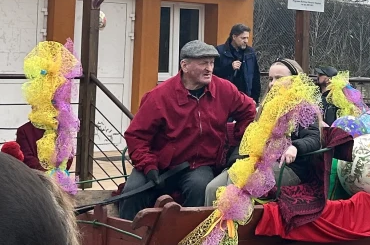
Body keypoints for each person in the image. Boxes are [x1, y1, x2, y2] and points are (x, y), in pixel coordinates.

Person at [120, 40, 256, 220]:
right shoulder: (159, 96)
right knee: (132, 192)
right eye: (203, 63)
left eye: (211, 63)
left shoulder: (225, 90)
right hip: (158, 163)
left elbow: (249, 111)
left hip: (200, 164)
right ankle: (125, 234)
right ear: (184, 65)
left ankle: (185, 237)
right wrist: (149, 166)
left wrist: (238, 140)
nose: (209, 68)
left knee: (200, 189)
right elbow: (136, 136)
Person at [204, 59, 322, 205]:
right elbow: (251, 139)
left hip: (288, 167)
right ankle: (214, 219)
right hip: (259, 162)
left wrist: (295, 147)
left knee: (235, 186)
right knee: (212, 188)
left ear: (294, 79)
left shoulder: (303, 107)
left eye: (279, 78)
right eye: (271, 79)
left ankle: (236, 220)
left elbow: (314, 138)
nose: (272, 83)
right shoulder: (266, 108)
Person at [213, 23, 261, 102]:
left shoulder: (250, 52)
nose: (246, 41)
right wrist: (230, 68)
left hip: (246, 97)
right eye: (243, 38)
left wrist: (255, 98)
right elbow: (213, 74)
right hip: (225, 98)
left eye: (247, 38)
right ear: (234, 37)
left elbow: (255, 76)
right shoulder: (219, 51)